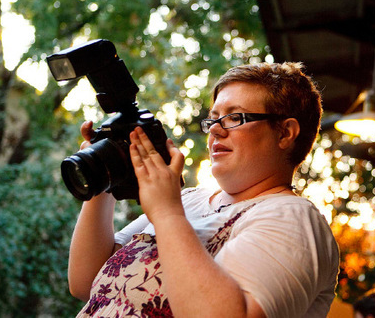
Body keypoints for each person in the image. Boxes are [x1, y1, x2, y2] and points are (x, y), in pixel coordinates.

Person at [68, 62, 340, 317]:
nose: (216, 132)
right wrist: (105, 176)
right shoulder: (187, 200)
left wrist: (167, 214)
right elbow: (85, 282)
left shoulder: (293, 219)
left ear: (285, 133)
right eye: (213, 119)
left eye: (234, 117)